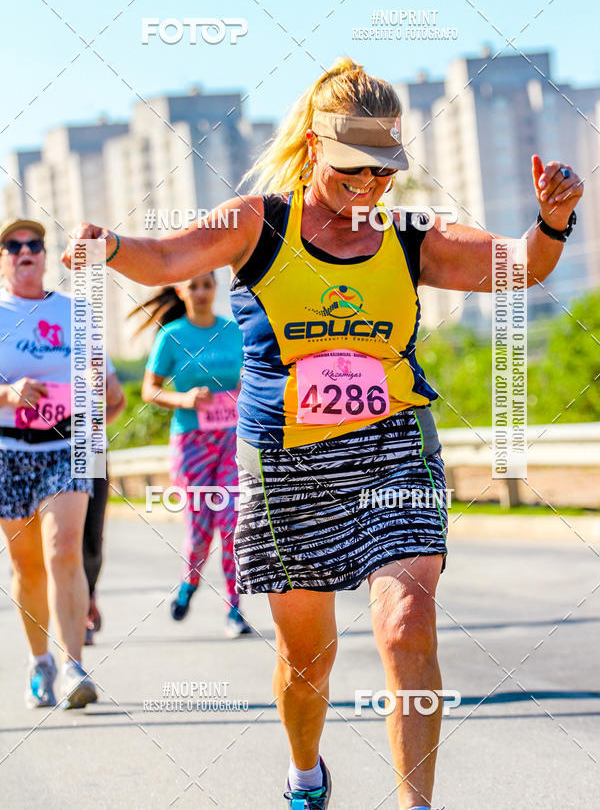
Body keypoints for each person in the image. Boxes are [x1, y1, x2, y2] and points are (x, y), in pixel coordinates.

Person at [62, 57, 584, 810]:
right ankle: (306, 771)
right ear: (314, 148)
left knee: (407, 626)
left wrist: (553, 219)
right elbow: (166, 258)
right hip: (286, 463)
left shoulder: (410, 236)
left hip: (393, 445)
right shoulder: (257, 223)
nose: (369, 186)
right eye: (352, 169)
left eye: (383, 171)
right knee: (307, 659)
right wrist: (108, 245)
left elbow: (520, 267)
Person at [0, 218, 98, 709]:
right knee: (28, 566)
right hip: (9, 450)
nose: (25, 250)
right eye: (12, 245)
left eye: (34, 244)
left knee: (63, 550)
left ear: (43, 255)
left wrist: (95, 398)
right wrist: (8, 393)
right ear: (2, 259)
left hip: (69, 444)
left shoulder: (76, 311)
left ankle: (74, 666)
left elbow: (103, 386)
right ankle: (40, 662)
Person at [131, 273, 251, 637]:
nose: (201, 292)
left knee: (231, 524)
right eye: (193, 286)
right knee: (200, 531)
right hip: (191, 443)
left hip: (231, 440)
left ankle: (234, 609)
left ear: (215, 288)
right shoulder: (172, 336)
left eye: (207, 285)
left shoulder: (234, 330)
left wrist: (244, 390)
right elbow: (150, 390)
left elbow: (252, 376)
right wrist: (184, 399)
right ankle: (189, 582)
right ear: (181, 291)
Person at [82, 365, 126, 645]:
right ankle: (75, 611)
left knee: (92, 539)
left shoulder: (91, 347)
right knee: (62, 540)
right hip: (48, 451)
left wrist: (95, 425)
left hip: (92, 452)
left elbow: (118, 400)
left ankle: (87, 596)